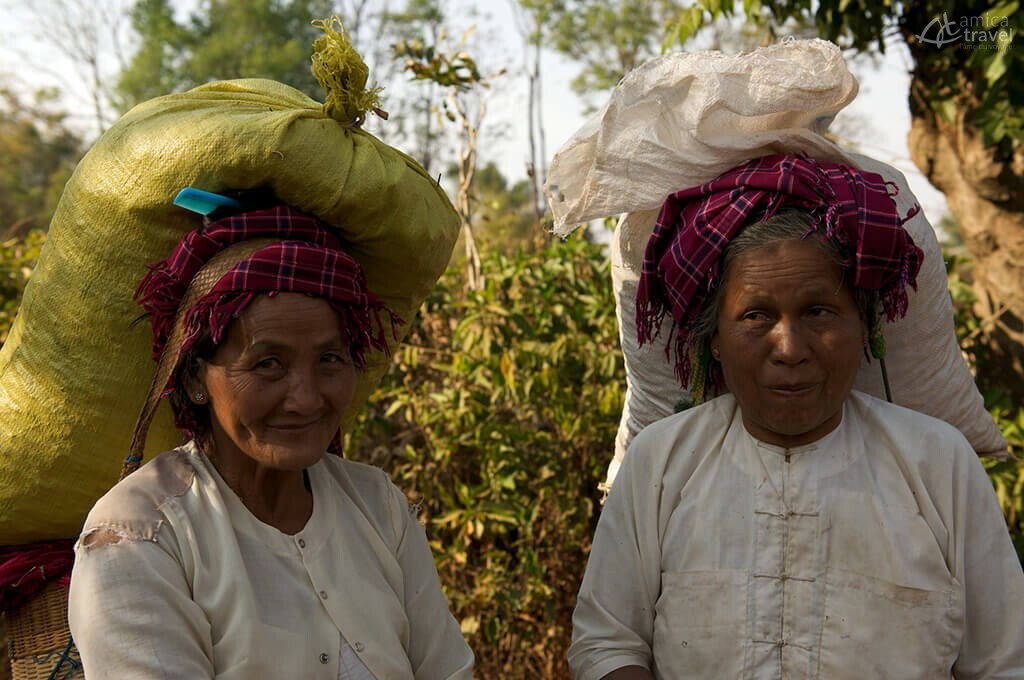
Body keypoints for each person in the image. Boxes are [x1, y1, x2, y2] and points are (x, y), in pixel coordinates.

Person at [569, 154, 1024, 679]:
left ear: (864, 327)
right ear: (714, 339)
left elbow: (1003, 660)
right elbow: (606, 644)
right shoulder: (663, 462)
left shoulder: (938, 463)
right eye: (755, 315)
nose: (789, 348)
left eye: (818, 311)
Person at [68, 200, 475, 679]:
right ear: (196, 377)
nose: (304, 400)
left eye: (330, 360)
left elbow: (447, 670)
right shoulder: (141, 534)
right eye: (267, 364)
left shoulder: (377, 505)